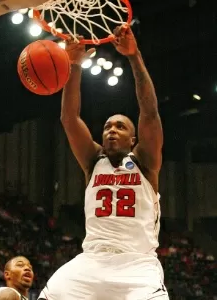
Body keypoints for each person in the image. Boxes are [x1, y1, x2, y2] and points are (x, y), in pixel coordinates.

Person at [38, 24, 169, 300]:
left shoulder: (145, 161)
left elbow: (150, 111)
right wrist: (74, 65)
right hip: (92, 262)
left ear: (133, 139)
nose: (111, 130)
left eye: (120, 127)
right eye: (108, 126)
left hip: (137, 265)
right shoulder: (93, 161)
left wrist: (134, 57)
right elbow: (69, 119)